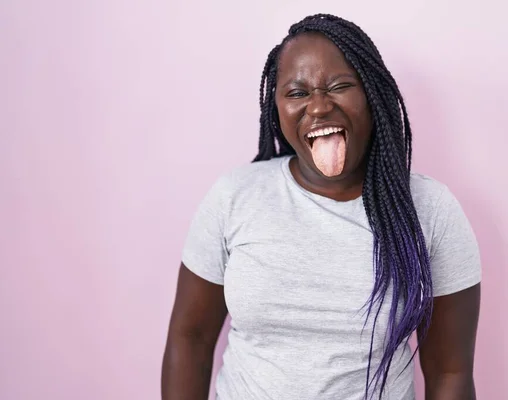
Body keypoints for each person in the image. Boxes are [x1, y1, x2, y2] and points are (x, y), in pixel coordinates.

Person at [161, 13, 481, 400]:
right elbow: (190, 338)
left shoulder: (430, 211)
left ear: (372, 96)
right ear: (276, 108)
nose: (318, 107)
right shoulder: (234, 196)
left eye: (340, 86)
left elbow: (450, 371)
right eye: (297, 93)